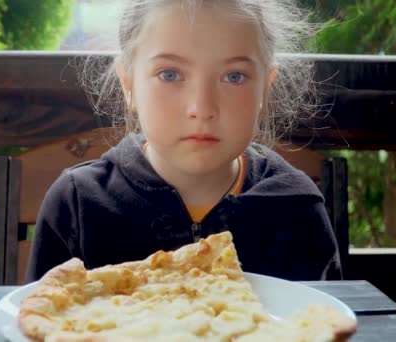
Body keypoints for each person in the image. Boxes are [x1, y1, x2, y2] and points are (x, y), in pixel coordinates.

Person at [26, 0, 342, 282]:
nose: (202, 108)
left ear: (264, 89)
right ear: (129, 85)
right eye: (170, 74)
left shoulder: (296, 210)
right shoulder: (77, 205)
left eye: (234, 77)